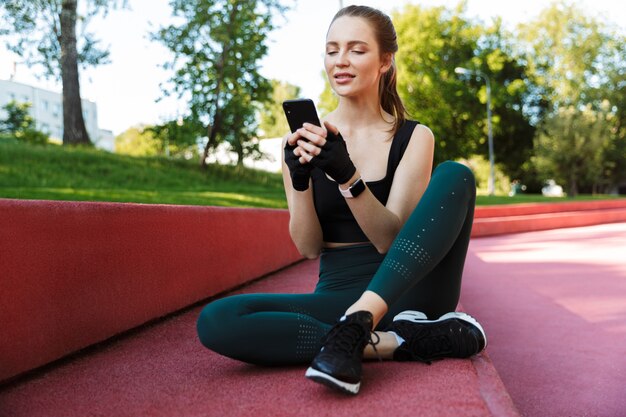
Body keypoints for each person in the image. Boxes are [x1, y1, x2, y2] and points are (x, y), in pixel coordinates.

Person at [196, 5, 486, 395]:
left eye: (356, 49)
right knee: (218, 320)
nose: (341, 61)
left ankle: (362, 323)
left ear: (385, 61)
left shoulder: (414, 137)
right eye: (332, 50)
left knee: (456, 175)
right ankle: (395, 342)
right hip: (338, 294)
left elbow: (387, 238)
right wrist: (300, 182)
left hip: (407, 294)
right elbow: (308, 246)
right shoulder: (305, 140)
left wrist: (347, 176)